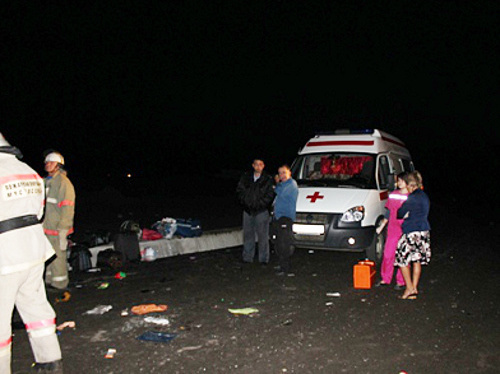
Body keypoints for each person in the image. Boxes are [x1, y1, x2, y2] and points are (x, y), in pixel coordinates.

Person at [0, 134, 63, 373]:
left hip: (5, 255)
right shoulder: (28, 171)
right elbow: (39, 211)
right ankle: (50, 362)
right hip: (34, 250)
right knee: (37, 308)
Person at [394, 171, 431, 300]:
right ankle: (414, 288)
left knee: (401, 259)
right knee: (417, 260)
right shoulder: (424, 196)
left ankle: (409, 287)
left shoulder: (413, 197)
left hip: (412, 231)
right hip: (423, 231)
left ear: (410, 184)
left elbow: (400, 213)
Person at [43, 151, 75, 290]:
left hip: (57, 228)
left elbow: (67, 207)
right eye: (47, 162)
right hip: (46, 227)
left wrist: (64, 228)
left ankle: (60, 283)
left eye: (51, 162)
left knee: (58, 257)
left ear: (59, 165)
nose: (48, 164)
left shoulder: (63, 183)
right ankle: (49, 280)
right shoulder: (46, 181)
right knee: (48, 256)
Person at [375, 172, 410, 290]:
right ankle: (386, 278)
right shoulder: (394, 194)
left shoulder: (413, 196)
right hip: (393, 229)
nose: (398, 183)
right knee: (388, 254)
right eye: (398, 181)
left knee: (403, 256)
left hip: (406, 230)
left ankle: (401, 281)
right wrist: (381, 226)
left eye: (401, 181)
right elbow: (388, 212)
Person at [236, 159, 275, 264]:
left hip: (261, 211)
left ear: (263, 166)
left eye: (261, 164)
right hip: (247, 211)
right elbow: (240, 191)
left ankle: (263, 259)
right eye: (256, 164)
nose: (258, 166)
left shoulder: (267, 179)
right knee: (248, 235)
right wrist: (246, 203)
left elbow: (270, 195)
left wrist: (260, 205)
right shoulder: (245, 178)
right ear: (253, 165)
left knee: (263, 236)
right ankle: (247, 257)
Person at [272, 165, 298, 275]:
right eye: (279, 173)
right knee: (279, 242)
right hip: (279, 217)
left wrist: (277, 184)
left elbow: (280, 192)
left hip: (286, 217)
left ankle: (286, 268)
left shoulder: (291, 184)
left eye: (283, 172)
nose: (281, 175)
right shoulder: (284, 184)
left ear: (289, 173)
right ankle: (282, 264)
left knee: (284, 244)